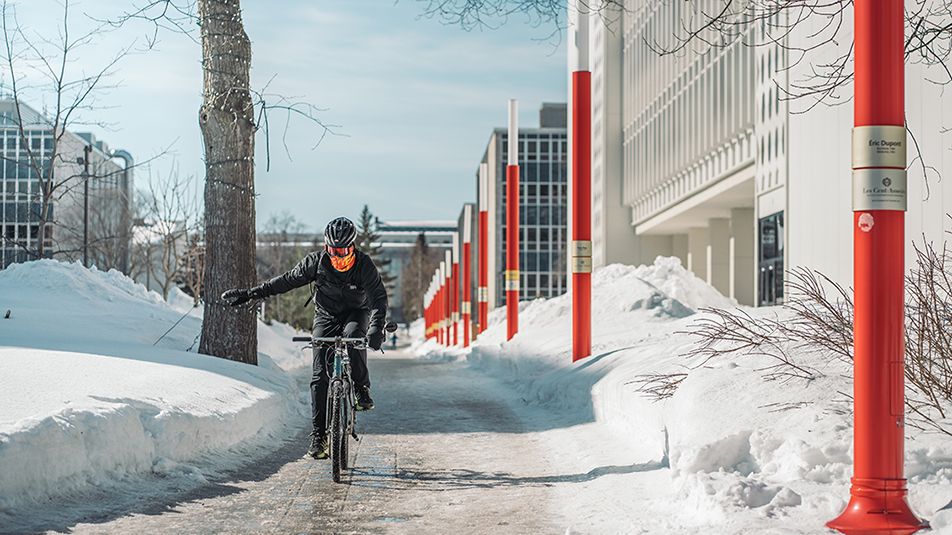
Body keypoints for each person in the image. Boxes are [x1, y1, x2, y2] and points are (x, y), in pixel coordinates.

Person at [221, 216, 388, 459]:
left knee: (354, 337)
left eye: (343, 250)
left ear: (352, 247)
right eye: (333, 250)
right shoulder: (316, 263)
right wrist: (250, 294)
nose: (338, 255)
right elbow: (286, 281)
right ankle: (319, 437)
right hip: (326, 315)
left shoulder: (364, 265)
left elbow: (378, 299)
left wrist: (376, 329)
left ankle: (362, 388)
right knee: (320, 376)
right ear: (325, 247)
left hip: (356, 313)